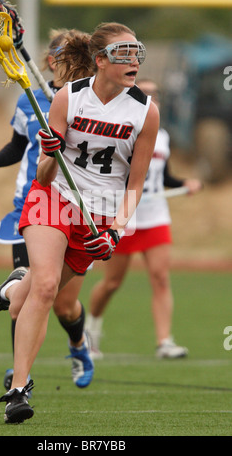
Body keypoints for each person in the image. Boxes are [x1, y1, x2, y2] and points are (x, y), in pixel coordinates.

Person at [0, 23, 160, 424]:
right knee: (43, 288)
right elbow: (43, 177)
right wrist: (49, 153)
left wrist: (115, 230)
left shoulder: (145, 111)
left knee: (34, 296)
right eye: (123, 54)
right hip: (53, 198)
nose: (134, 61)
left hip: (97, 215)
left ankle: (10, 289)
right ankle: (18, 390)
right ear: (99, 61)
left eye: (136, 52)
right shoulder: (68, 98)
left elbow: (136, 182)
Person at [0, 29, 85, 391]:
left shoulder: (93, 102)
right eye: (61, 57)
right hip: (34, 203)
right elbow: (17, 148)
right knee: (33, 293)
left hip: (80, 208)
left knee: (63, 304)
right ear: (50, 61)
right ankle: (20, 376)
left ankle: (79, 346)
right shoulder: (30, 102)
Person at [85, 78, 202, 360]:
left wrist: (184, 183)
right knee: (112, 282)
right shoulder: (121, 129)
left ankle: (164, 342)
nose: (151, 98)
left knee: (161, 278)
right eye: (144, 93)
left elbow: (163, 176)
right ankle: (90, 331)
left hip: (155, 216)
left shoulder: (162, 135)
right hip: (124, 217)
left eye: (154, 94)